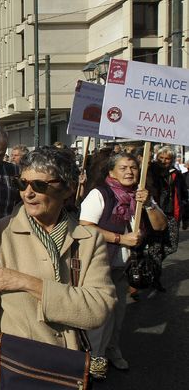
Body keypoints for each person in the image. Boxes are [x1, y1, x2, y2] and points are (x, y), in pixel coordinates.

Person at [0, 146, 116, 390]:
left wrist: (25, 282)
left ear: (67, 188)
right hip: (15, 368)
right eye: (22, 184)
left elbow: (98, 310)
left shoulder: (89, 240)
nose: (28, 193)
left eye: (39, 185)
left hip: (67, 370)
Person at [80, 152, 167, 370]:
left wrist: (148, 204)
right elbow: (85, 227)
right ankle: (93, 360)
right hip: (100, 264)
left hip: (125, 267)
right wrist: (120, 239)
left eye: (133, 167)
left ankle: (112, 350)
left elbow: (160, 225)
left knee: (118, 314)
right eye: (123, 168)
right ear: (111, 172)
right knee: (100, 314)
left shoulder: (141, 195)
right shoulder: (100, 194)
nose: (129, 172)